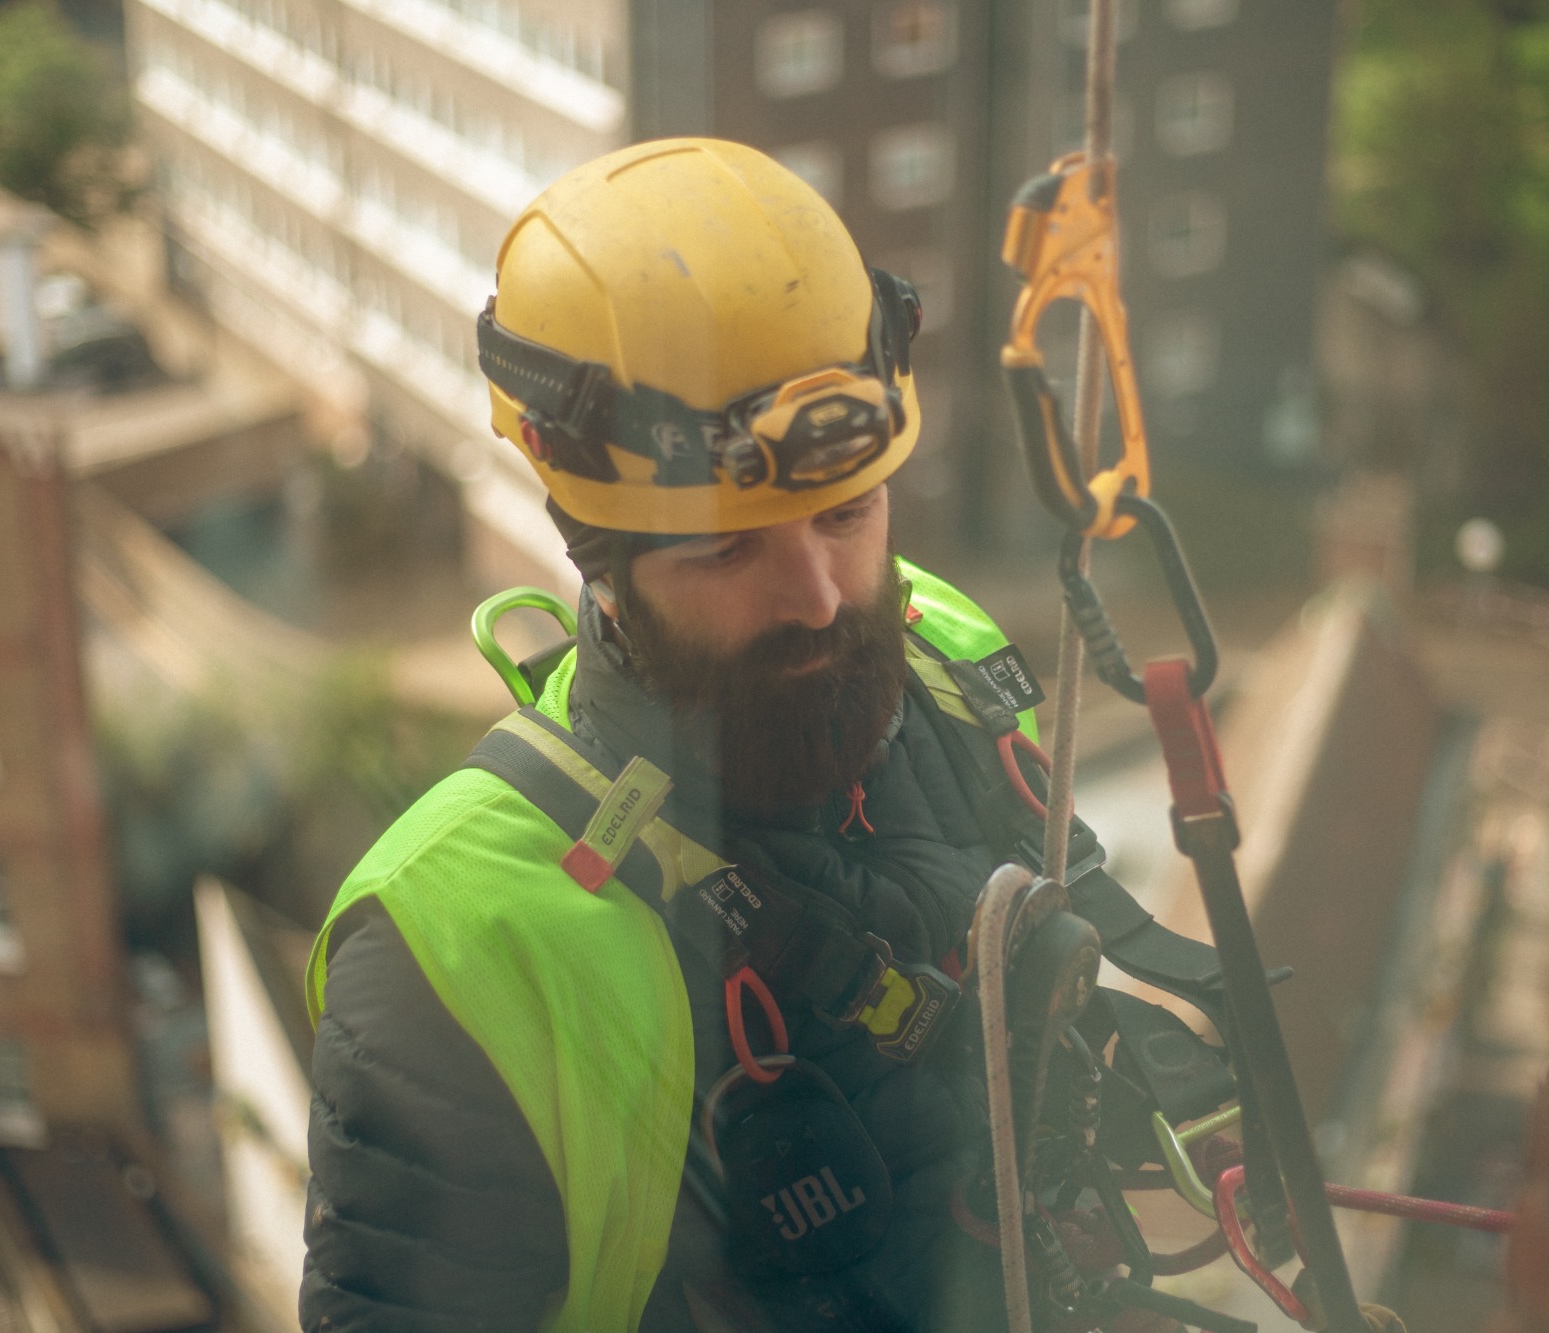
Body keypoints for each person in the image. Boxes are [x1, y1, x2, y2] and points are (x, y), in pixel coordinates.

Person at [298, 138, 1086, 1333]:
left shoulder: (955, 663)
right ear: (600, 565)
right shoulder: (449, 951)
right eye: (726, 549)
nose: (821, 595)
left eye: (849, 512)